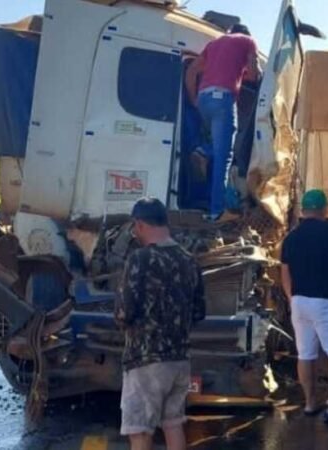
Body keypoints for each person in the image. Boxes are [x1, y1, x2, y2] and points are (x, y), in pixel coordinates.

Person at [115, 197, 206, 450]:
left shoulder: (140, 259)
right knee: (173, 424)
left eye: (135, 227)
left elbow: (125, 312)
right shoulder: (189, 260)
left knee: (140, 431)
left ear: (140, 224)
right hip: (179, 360)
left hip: (146, 361)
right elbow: (199, 311)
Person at [280, 189, 328, 423]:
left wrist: (292, 298)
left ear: (303, 210)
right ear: (323, 209)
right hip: (326, 299)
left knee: (305, 353)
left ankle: (310, 403)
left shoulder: (291, 237)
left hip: (299, 302)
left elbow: (285, 274)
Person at [187, 24, 260, 221]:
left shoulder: (213, 44)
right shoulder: (248, 41)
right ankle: (216, 212)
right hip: (223, 99)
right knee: (224, 157)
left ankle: (203, 150)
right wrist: (244, 71)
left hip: (203, 99)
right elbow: (254, 74)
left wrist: (194, 99)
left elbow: (192, 71)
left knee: (223, 140)